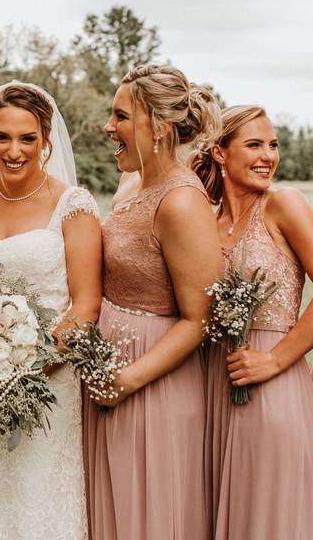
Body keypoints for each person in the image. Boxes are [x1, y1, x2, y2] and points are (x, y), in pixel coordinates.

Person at [0, 81, 102, 539]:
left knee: (38, 498)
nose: (13, 151)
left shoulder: (73, 206)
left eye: (27, 138)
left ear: (46, 139)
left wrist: (28, 367)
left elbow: (85, 303)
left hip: (49, 381)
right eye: (2, 137)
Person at [194, 105, 313, 539]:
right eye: (254, 144)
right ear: (220, 152)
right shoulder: (203, 223)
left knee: (270, 518)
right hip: (212, 384)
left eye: (273, 145)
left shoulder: (284, 205)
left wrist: (275, 360)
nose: (268, 155)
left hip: (273, 384)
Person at [85, 64, 221, 540]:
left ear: (159, 127)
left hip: (153, 380)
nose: (108, 127)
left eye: (120, 116)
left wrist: (127, 380)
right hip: (110, 375)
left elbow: (200, 318)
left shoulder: (182, 202)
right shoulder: (131, 185)